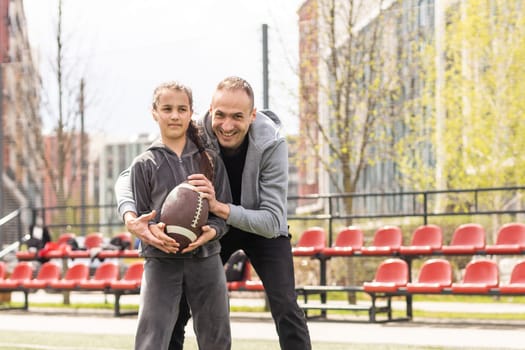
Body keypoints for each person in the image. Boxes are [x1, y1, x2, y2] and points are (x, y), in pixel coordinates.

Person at [115, 76, 312, 350]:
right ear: (209, 110)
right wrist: (130, 217)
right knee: (179, 307)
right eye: (220, 115)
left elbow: (271, 221)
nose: (227, 125)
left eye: (237, 117)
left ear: (252, 116)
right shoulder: (195, 130)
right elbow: (132, 172)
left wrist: (220, 207)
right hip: (215, 227)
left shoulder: (273, 144)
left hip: (260, 226)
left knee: (286, 306)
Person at [124, 81, 232, 350]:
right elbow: (140, 219)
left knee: (216, 338)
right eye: (167, 109)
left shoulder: (210, 160)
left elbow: (222, 211)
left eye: (181, 109)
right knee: (152, 339)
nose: (174, 115)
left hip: (206, 258)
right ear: (154, 112)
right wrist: (153, 233)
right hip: (161, 260)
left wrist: (213, 231)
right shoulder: (144, 164)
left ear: (190, 112)